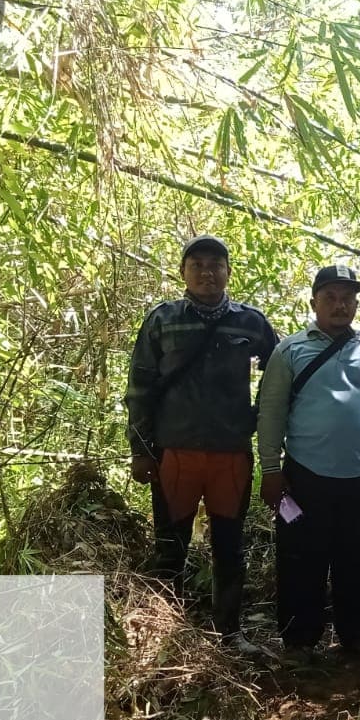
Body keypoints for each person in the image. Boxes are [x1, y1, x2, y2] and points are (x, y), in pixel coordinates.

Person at [125, 234, 279, 654]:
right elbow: (140, 384)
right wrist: (140, 448)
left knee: (229, 545)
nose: (207, 272)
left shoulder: (251, 322)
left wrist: (260, 415)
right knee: (170, 544)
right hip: (176, 452)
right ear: (183, 273)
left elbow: (281, 372)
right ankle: (161, 637)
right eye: (198, 265)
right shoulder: (163, 319)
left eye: (216, 264)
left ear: (229, 271)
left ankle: (229, 633)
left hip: (230, 454)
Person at [255, 264, 360, 658]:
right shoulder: (289, 350)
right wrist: (271, 469)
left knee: (358, 557)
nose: (340, 305)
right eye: (330, 298)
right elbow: (270, 413)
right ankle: (299, 640)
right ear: (314, 302)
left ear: (356, 304)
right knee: (300, 556)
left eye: (347, 298)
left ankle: (357, 636)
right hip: (303, 477)